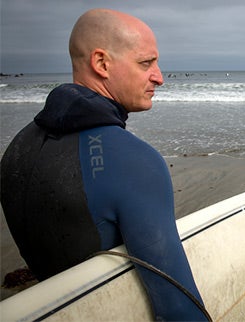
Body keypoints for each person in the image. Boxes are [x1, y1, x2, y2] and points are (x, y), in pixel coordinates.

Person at [0, 8, 208, 321]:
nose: (159, 77)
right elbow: (180, 308)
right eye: (145, 63)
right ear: (101, 63)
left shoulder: (17, 147)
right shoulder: (133, 162)